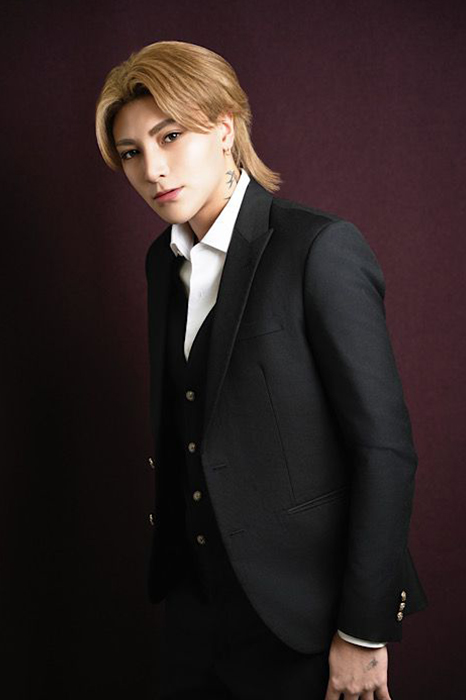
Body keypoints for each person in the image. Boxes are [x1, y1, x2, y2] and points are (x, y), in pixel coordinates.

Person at [95, 40, 428, 699]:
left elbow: (384, 450)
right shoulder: (162, 262)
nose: (152, 169)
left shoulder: (318, 248)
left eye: (170, 136)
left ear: (225, 129)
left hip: (303, 620)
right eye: (131, 152)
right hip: (192, 611)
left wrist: (363, 633)